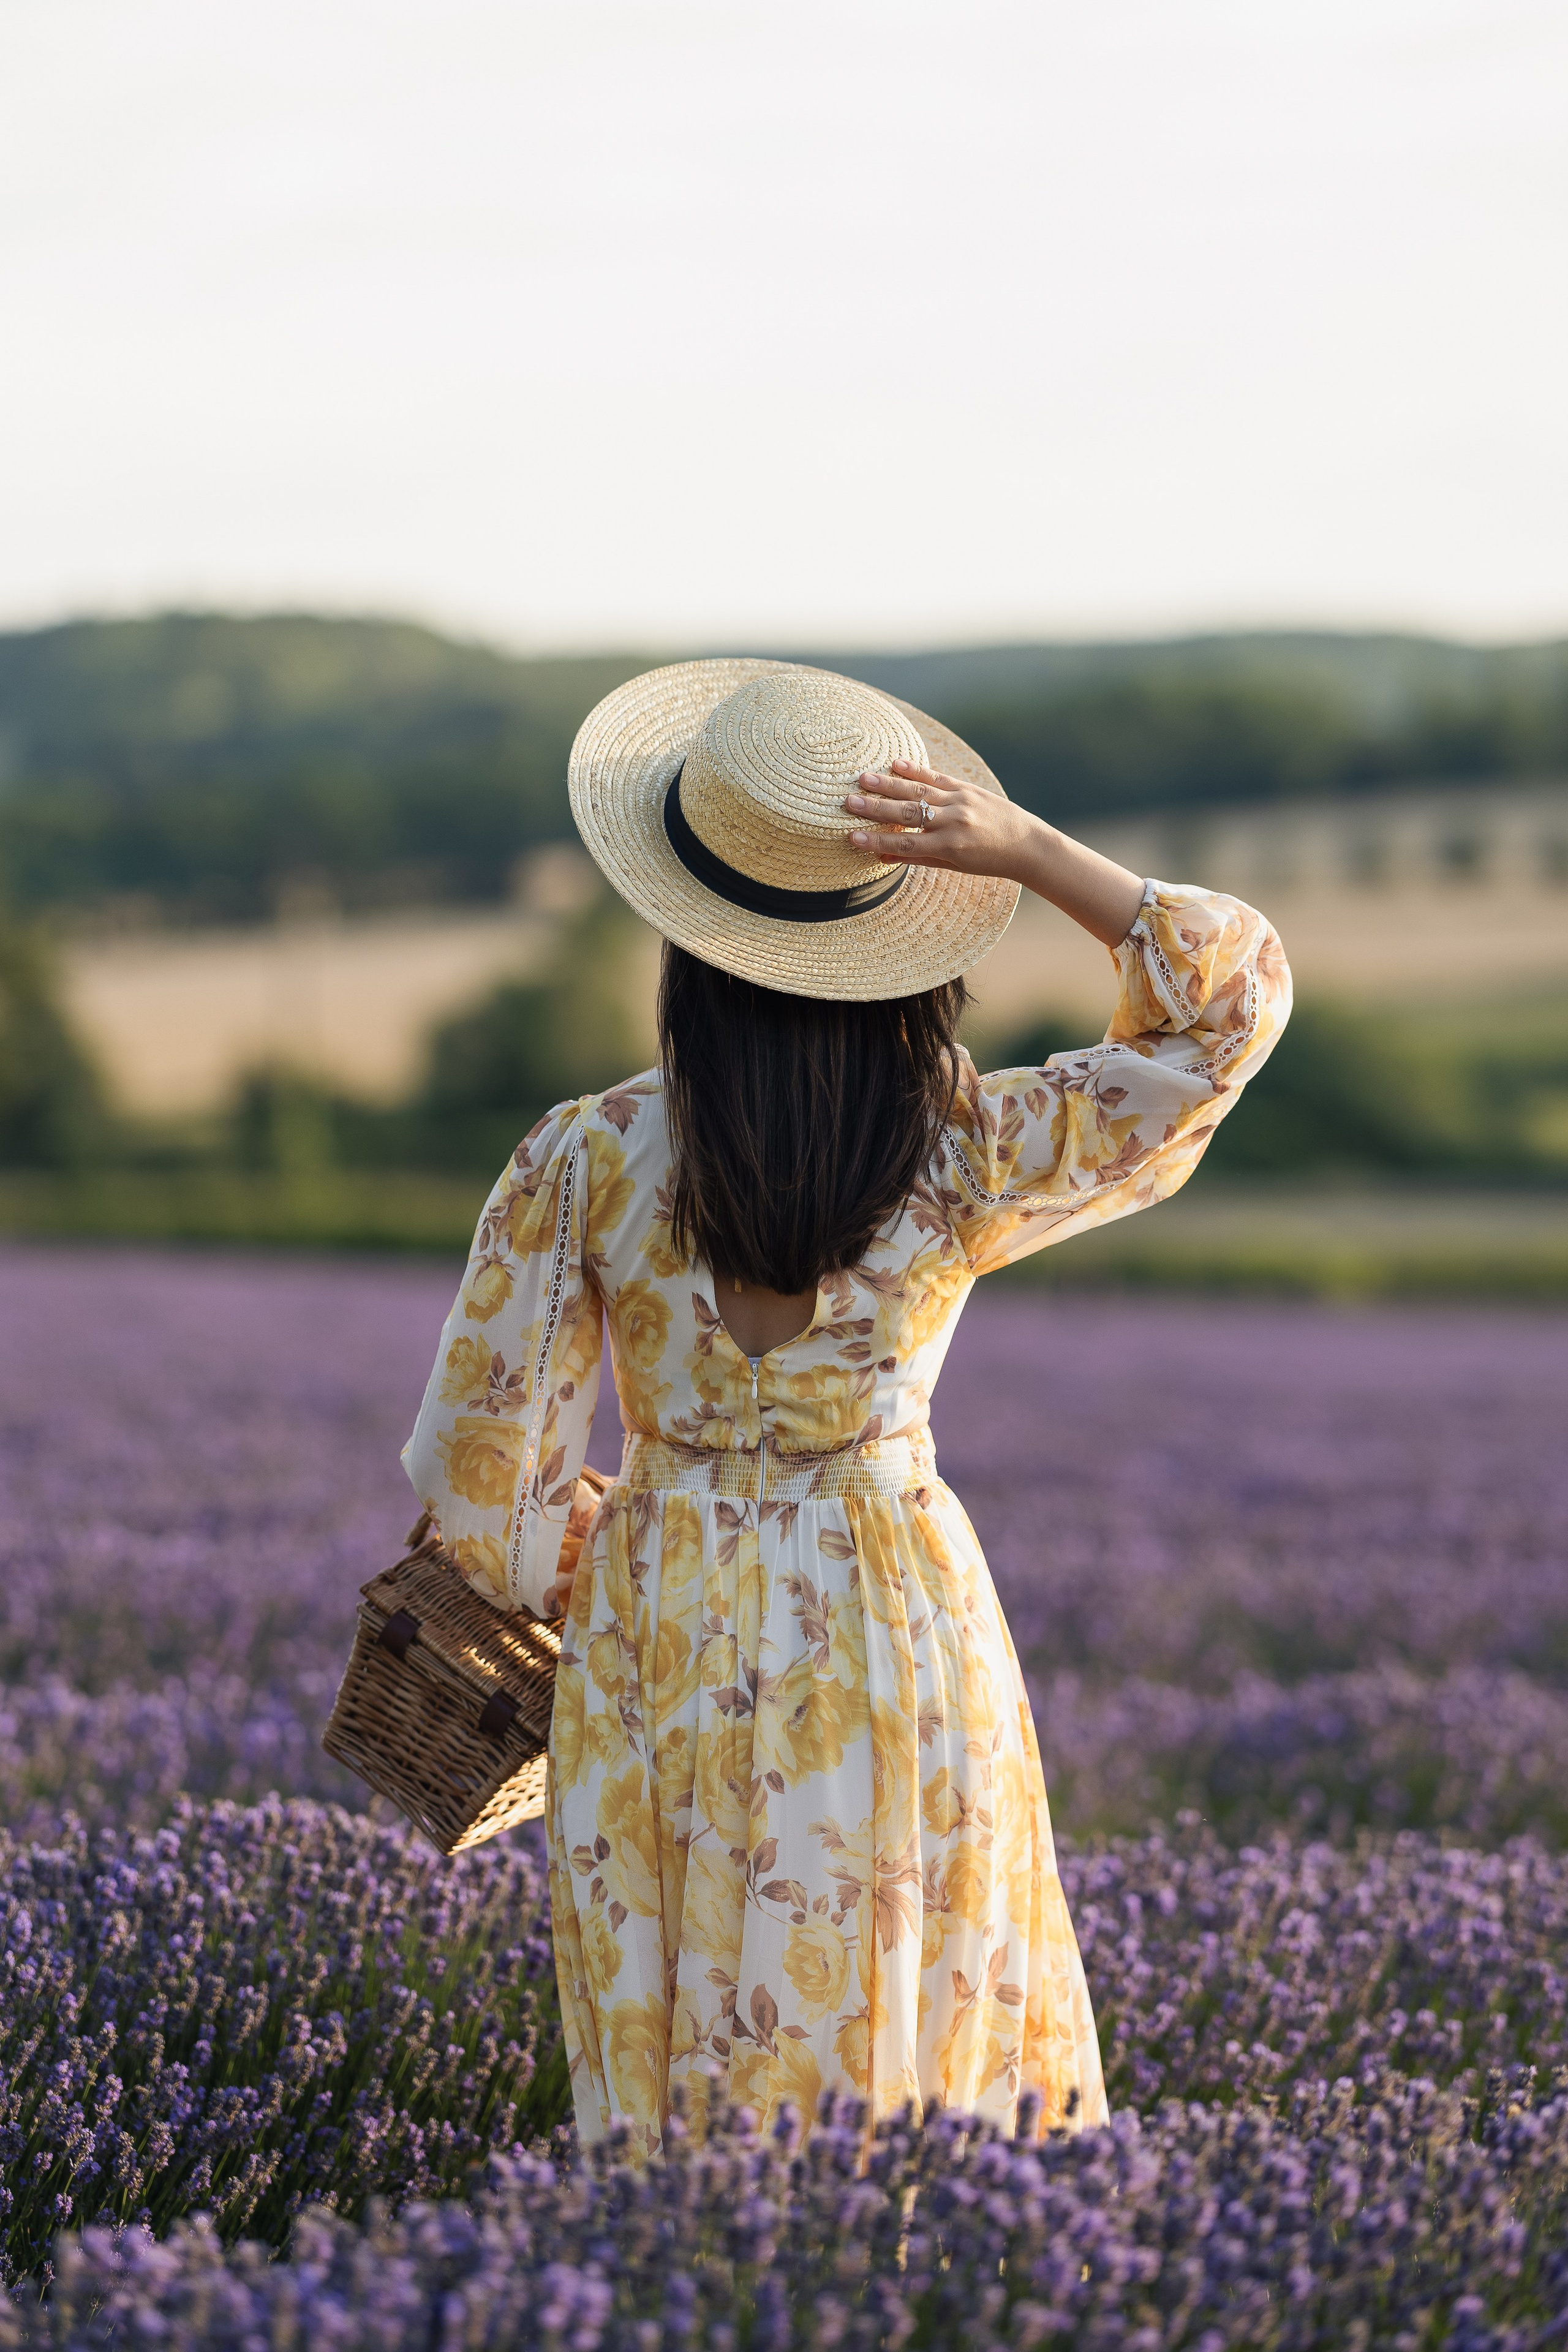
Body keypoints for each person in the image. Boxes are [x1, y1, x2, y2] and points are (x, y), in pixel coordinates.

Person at [404, 661, 1291, 2155]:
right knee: (907, 1974)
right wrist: (1027, 851)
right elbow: (1223, 1016)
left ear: (687, 935)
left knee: (672, 2008)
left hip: (659, 1603)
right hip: (895, 1601)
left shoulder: (583, 1154)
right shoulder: (966, 1145)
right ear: (901, 942)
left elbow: (482, 1463)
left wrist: (587, 1563)